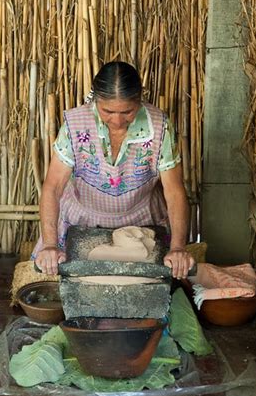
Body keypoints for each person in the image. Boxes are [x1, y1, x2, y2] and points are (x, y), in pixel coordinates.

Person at [33, 61, 195, 279]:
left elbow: (174, 192)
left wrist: (177, 248)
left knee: (148, 284)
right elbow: (52, 188)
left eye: (127, 111)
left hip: (140, 225)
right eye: (107, 111)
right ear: (96, 99)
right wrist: (50, 245)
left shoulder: (159, 127)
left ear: (139, 100)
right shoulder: (75, 124)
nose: (117, 120)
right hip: (81, 220)